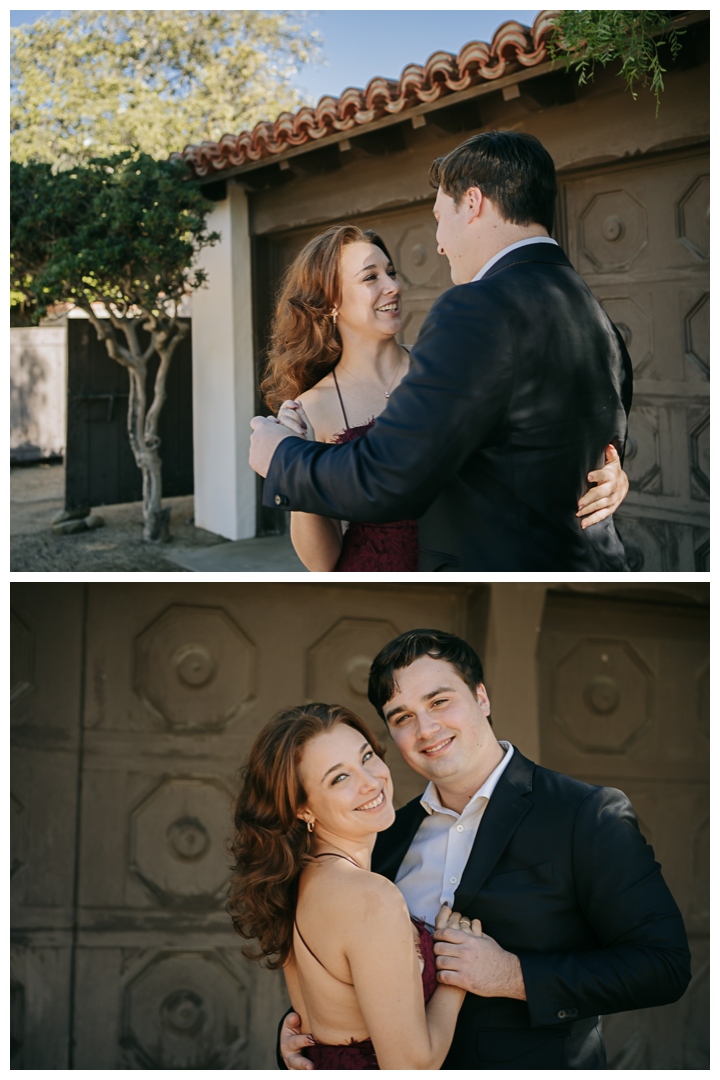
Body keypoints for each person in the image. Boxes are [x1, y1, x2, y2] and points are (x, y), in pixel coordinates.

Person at [280, 629, 691, 1070]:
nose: (426, 729)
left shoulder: (585, 814)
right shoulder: (384, 835)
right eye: (402, 717)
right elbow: (361, 975)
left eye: (439, 702)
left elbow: (663, 965)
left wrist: (513, 976)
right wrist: (313, 1038)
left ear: (482, 697)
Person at [250, 131, 634, 571]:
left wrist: (281, 458)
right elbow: (566, 439)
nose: (437, 241)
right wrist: (609, 470)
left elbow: (389, 476)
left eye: (439, 216)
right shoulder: (594, 312)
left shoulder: (476, 308)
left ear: (472, 203)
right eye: (369, 277)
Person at [228, 702, 481, 1069]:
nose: (370, 781)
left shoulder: (300, 882)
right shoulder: (369, 897)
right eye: (339, 778)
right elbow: (410, 1068)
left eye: (366, 757)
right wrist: (455, 982)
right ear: (303, 809)